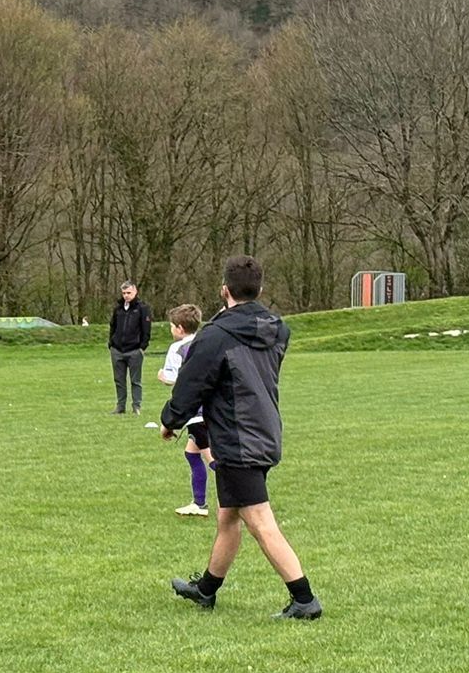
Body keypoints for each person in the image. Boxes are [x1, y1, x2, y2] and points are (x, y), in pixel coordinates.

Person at [161, 256, 321, 620]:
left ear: (224, 290)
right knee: (228, 516)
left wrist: (170, 421)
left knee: (260, 521)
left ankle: (305, 599)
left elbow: (192, 384)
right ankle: (206, 590)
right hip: (265, 429)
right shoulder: (277, 329)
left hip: (237, 439)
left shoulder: (216, 336)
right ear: (260, 290)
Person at [157, 303, 213, 517]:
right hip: (212, 407)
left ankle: (243, 500)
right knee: (191, 453)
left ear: (180, 328)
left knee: (215, 461)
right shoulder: (206, 342)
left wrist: (163, 377)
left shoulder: (177, 348)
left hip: (195, 412)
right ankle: (199, 504)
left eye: (172, 326)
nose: (171, 330)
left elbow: (177, 379)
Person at [108, 281, 152, 414]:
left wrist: (142, 347)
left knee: (135, 380)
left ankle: (136, 406)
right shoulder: (118, 309)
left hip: (134, 350)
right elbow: (113, 326)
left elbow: (146, 329)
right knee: (119, 380)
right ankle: (120, 406)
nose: (126, 295)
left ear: (135, 292)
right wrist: (111, 343)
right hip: (117, 350)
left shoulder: (142, 308)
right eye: (124, 293)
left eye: (129, 293)